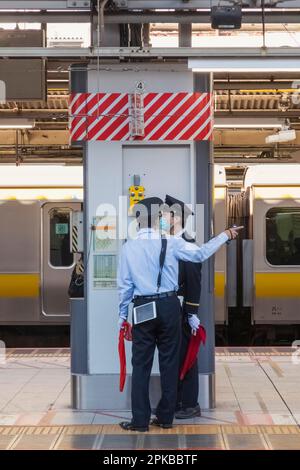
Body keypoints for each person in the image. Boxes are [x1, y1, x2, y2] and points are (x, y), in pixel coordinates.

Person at [117, 197, 242, 432]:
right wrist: (226, 235)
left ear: (138, 220)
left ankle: (140, 421)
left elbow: (124, 288)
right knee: (169, 362)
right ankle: (165, 417)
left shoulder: (128, 247)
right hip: (169, 306)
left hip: (142, 308)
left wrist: (123, 318)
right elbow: (202, 254)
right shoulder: (172, 242)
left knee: (141, 365)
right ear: (157, 219)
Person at [165, 194, 202, 419]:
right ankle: (178, 401)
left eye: (165, 214)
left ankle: (190, 403)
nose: (161, 218)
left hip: (182, 310)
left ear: (176, 218)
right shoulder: (169, 243)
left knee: (187, 356)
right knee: (175, 357)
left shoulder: (188, 245)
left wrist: (191, 313)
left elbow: (194, 282)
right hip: (170, 309)